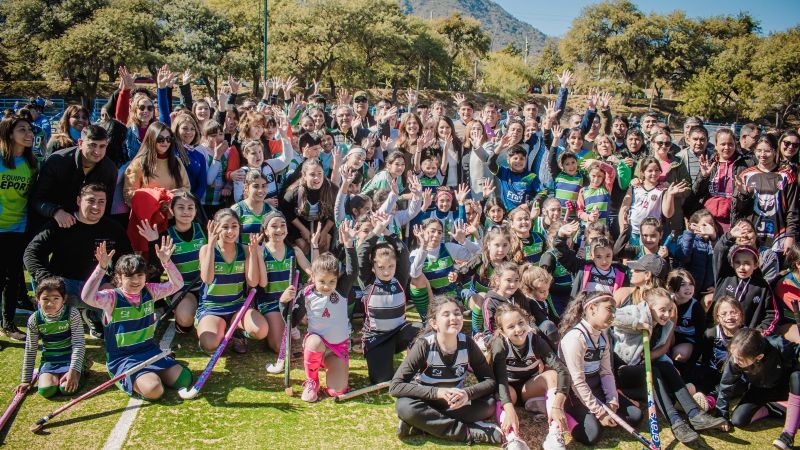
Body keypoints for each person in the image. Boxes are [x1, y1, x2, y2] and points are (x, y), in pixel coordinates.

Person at [612, 287, 727, 444]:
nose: (667, 314)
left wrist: (672, 370)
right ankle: (676, 422)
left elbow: (660, 354)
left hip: (644, 367)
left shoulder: (664, 324)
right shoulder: (635, 311)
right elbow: (612, 315)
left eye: (670, 309)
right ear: (649, 306)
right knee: (655, 371)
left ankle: (695, 414)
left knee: (665, 367)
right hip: (623, 370)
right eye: (662, 310)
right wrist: (637, 324)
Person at [82, 238, 193, 399]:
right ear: (119, 278)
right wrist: (101, 267)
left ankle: (153, 372)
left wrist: (167, 262)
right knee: (155, 390)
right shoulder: (112, 297)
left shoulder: (150, 291)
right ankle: (120, 376)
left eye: (139, 275)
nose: (135, 281)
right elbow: (87, 297)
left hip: (149, 351)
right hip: (123, 358)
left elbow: (177, 284)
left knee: (184, 379)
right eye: (129, 276)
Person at [390, 296, 502, 445]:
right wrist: (438, 392)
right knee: (404, 407)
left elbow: (490, 381)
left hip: (455, 403)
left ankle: (421, 425)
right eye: (446, 314)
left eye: (457, 313)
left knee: (489, 405)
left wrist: (466, 394)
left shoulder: (467, 343)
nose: (453, 318)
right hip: (427, 401)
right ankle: (466, 432)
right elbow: (395, 386)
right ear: (434, 323)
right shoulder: (424, 345)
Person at [24, 184, 132, 338]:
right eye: (91, 200)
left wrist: (115, 283)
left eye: (101, 201)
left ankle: (94, 316)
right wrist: (47, 281)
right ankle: (57, 328)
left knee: (120, 308)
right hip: (64, 284)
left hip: (96, 284)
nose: (96, 206)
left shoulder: (113, 228)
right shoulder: (62, 223)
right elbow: (31, 253)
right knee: (59, 332)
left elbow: (126, 260)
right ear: (79, 200)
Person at [281, 222, 359, 402]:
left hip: (336, 350)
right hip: (317, 346)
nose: (327, 286)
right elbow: (290, 321)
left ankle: (330, 367)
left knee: (337, 391)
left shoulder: (340, 290)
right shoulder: (306, 294)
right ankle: (312, 380)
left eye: (332, 281)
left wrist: (349, 245)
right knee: (314, 342)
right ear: (313, 277)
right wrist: (283, 303)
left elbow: (352, 271)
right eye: (322, 281)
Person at [558, 292, 642, 445]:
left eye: (614, 311)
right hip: (575, 394)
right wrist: (600, 412)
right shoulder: (575, 338)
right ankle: (567, 415)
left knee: (635, 416)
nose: (613, 315)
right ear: (592, 309)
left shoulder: (603, 336)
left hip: (596, 387)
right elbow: (577, 381)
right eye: (609, 309)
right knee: (592, 435)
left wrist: (612, 400)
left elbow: (606, 372)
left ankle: (603, 408)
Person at [490, 303, 569, 450]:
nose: (519, 329)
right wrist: (509, 409)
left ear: (527, 321)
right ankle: (513, 439)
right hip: (508, 389)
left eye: (521, 323)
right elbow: (500, 380)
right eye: (511, 327)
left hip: (529, 388)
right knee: (508, 393)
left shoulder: (535, 339)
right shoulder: (500, 345)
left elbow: (562, 369)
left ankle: (554, 435)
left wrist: (558, 404)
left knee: (551, 375)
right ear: (502, 331)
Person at [357, 212, 421, 384]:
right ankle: (383, 361)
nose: (386, 271)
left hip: (399, 334)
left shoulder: (399, 278)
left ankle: (414, 370)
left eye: (390, 266)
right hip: (376, 339)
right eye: (381, 267)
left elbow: (404, 253)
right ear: (373, 268)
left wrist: (388, 232)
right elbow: (362, 253)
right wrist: (376, 231)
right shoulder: (368, 282)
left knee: (423, 331)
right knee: (381, 380)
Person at [715, 328, 800, 450]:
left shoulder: (778, 345)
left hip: (789, 388)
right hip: (761, 388)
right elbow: (726, 385)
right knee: (739, 420)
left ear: (759, 357)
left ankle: (788, 435)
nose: (735, 361)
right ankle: (777, 408)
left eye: (740, 359)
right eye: (733, 356)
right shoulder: (736, 356)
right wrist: (721, 415)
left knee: (797, 376)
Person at [196, 209, 266, 355]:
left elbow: (253, 282)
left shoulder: (245, 249)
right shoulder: (206, 249)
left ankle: (236, 332)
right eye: (225, 227)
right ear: (215, 227)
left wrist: (253, 254)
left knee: (261, 331)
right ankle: (221, 332)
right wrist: (210, 245)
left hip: (237, 307)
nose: (230, 231)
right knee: (210, 344)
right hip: (212, 308)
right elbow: (207, 279)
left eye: (234, 226)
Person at [30, 124, 117, 227]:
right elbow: (37, 199)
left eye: (102, 146)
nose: (97, 151)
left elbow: (106, 207)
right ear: (80, 143)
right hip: (52, 222)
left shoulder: (109, 169)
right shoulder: (57, 161)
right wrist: (55, 211)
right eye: (92, 145)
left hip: (86, 226)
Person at [123, 122, 190, 255]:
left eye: (168, 139)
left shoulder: (176, 162)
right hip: (147, 222)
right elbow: (128, 194)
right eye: (160, 139)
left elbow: (186, 188)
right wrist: (156, 198)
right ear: (152, 139)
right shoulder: (139, 163)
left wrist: (170, 197)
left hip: (171, 218)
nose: (165, 142)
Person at [0, 114, 37, 340]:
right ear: (9, 134)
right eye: (22, 130)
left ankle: (8, 324)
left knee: (13, 278)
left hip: (18, 229)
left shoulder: (32, 164)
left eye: (30, 130)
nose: (29, 134)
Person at [17, 277, 85, 398]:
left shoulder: (72, 313)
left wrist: (73, 371)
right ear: (38, 299)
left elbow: (78, 344)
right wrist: (26, 380)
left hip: (70, 358)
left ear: (64, 299)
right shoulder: (34, 319)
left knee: (66, 388)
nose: (50, 303)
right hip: (50, 361)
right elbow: (30, 349)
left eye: (56, 298)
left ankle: (82, 369)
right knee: (47, 390)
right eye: (45, 299)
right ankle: (56, 375)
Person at [164, 192, 206, 333]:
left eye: (190, 207)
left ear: (195, 210)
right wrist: (153, 242)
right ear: (172, 210)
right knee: (186, 319)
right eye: (181, 207)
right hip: (181, 288)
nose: (186, 212)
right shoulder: (167, 235)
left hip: (206, 287)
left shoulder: (204, 229)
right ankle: (181, 313)